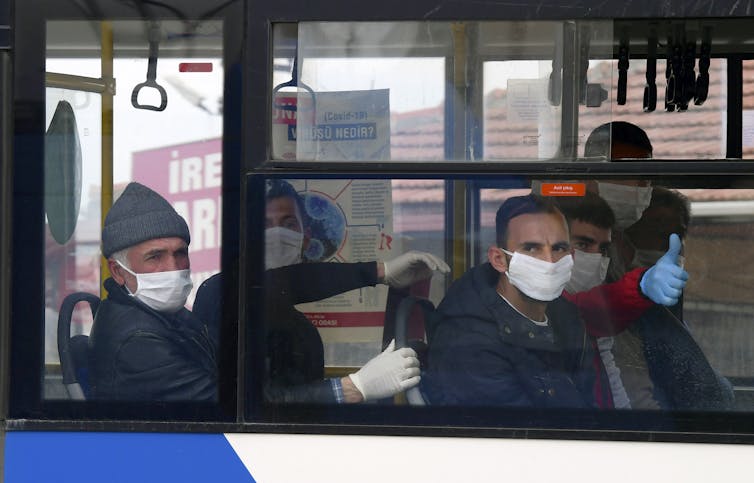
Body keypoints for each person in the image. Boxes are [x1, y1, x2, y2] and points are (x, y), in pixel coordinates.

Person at [194, 179, 450, 404]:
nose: (276, 234)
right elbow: (251, 405)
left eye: (288, 223)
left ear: (305, 238)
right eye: (264, 225)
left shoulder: (303, 331)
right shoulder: (219, 293)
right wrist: (352, 388)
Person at [422, 194, 599, 407]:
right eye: (531, 248)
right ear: (499, 260)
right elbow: (521, 431)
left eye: (558, 248)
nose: (550, 261)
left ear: (571, 255)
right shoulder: (471, 345)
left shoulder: (565, 316)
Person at [88, 182, 216, 401]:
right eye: (155, 257)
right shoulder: (138, 341)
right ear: (118, 271)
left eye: (180, 253)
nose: (174, 267)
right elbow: (221, 405)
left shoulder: (163, 315)